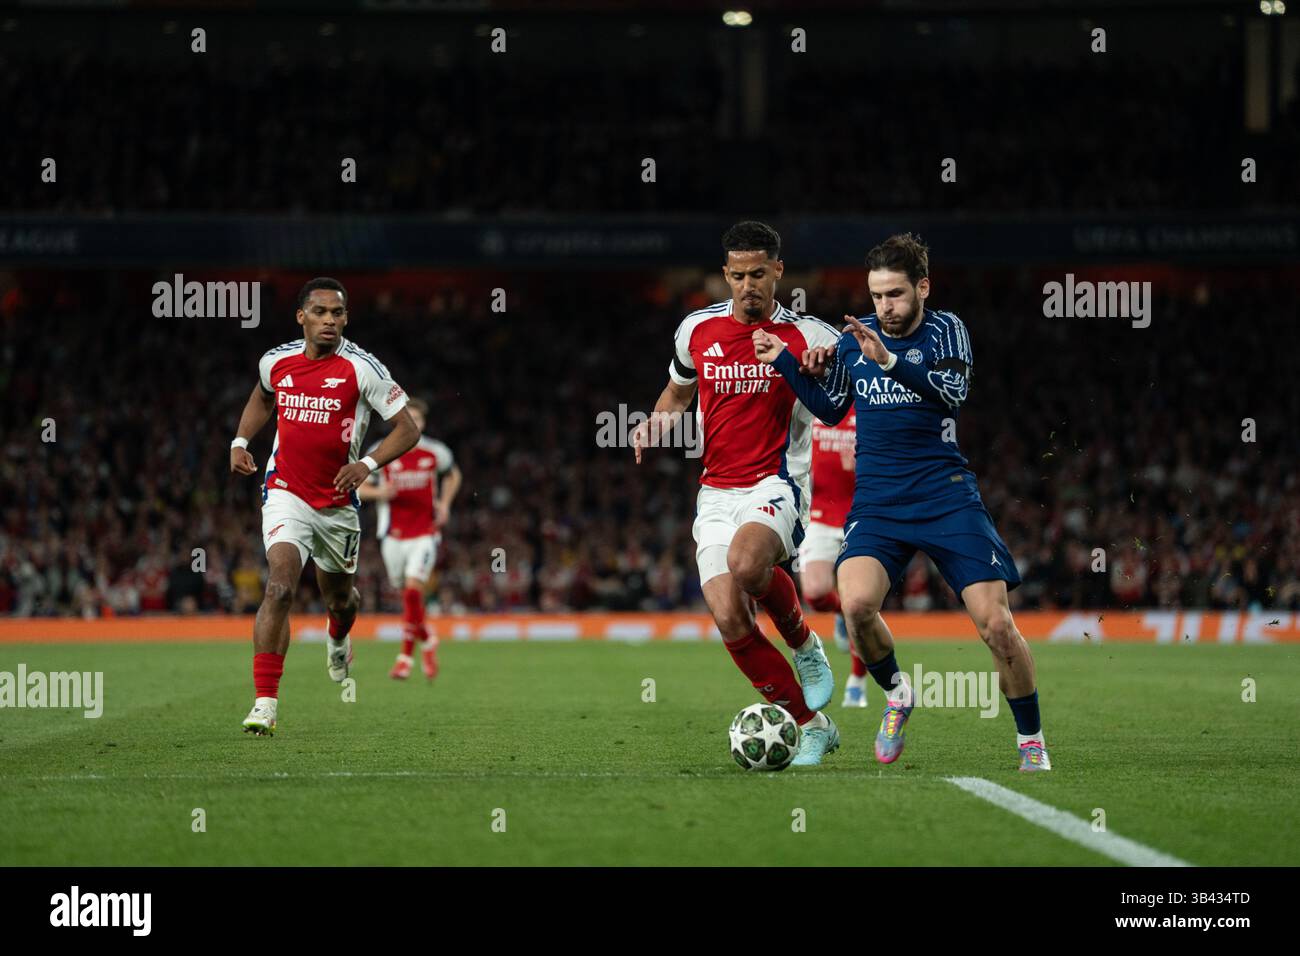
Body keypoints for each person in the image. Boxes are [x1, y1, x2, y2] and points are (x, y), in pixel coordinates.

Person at [752, 234, 1050, 771]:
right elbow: (830, 406)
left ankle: (1031, 741)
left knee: (996, 624)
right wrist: (787, 363)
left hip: (945, 495)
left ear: (923, 287)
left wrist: (888, 359)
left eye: (895, 294)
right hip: (879, 500)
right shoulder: (856, 340)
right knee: (857, 605)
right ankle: (897, 694)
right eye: (876, 295)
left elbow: (950, 394)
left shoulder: (946, 330)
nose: (884, 307)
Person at [633, 221, 842, 766]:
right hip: (715, 493)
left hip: (777, 484)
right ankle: (811, 723)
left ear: (778, 271)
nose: (748, 285)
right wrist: (654, 425)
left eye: (758, 274)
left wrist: (819, 374)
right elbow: (677, 393)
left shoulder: (810, 337)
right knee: (729, 617)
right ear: (724, 275)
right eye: (737, 275)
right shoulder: (696, 331)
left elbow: (851, 393)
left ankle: (804, 645)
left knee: (748, 565)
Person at [230, 277, 419, 735]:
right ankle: (266, 703)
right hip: (285, 492)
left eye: (337, 313)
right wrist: (239, 440)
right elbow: (261, 396)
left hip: (336, 504)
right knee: (279, 587)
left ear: (346, 319)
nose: (329, 320)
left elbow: (407, 429)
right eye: (320, 312)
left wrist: (368, 463)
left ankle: (338, 636)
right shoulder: (276, 361)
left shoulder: (363, 369)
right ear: (302, 317)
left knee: (341, 599)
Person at [358, 398, 461, 681]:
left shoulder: (435, 451)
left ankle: (405, 657)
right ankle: (428, 639)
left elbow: (453, 475)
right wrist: (380, 493)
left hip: (425, 533)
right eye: (407, 417)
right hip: (392, 535)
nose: (412, 423)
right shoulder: (381, 451)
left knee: (414, 591)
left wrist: (445, 503)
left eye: (417, 418)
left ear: (423, 423)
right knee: (407, 595)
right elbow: (358, 487)